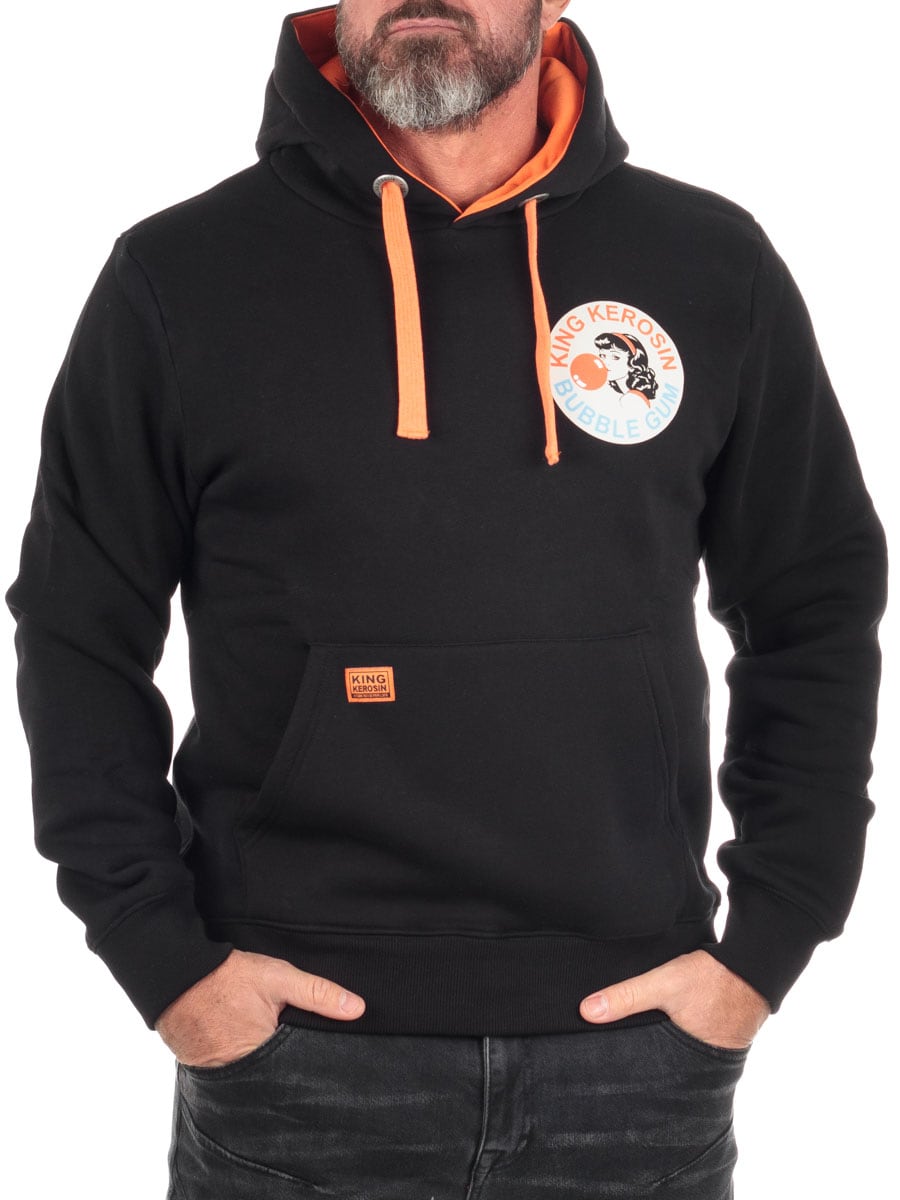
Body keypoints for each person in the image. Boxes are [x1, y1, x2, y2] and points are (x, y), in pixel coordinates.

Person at [6, 1, 887, 1197]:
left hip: (636, 1054)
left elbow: (812, 599)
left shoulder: (707, 263)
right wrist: (165, 964)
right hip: (297, 1056)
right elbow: (79, 629)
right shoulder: (180, 275)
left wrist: (772, 936)